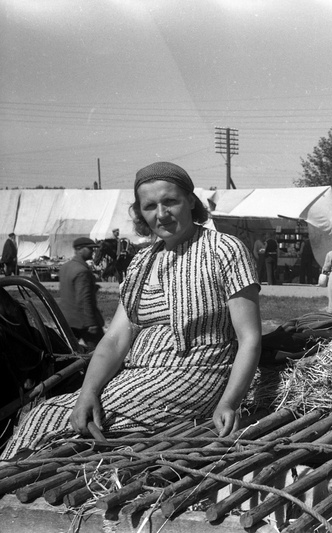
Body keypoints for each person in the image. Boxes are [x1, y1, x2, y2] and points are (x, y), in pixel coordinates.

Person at [1, 161, 261, 460]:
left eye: (170, 201)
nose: (161, 214)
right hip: (137, 376)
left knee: (55, 422)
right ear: (140, 212)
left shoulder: (224, 249)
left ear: (191, 201)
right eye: (150, 206)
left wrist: (229, 402)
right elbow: (114, 340)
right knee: (44, 413)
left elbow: (249, 338)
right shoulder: (141, 262)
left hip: (196, 374)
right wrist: (88, 392)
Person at [58, 237, 105, 349]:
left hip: (67, 319)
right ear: (79, 249)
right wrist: (90, 322)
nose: (92, 251)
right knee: (102, 350)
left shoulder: (65, 267)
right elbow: (84, 299)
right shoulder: (82, 271)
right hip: (83, 321)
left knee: (66, 350)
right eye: (89, 248)